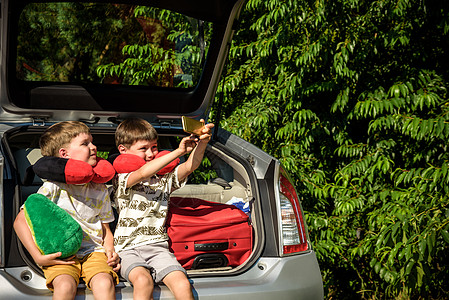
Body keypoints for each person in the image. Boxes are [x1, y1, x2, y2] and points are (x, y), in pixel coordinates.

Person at [14, 121, 120, 300]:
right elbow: (20, 221)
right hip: (62, 254)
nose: (94, 147)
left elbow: (106, 230)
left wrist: (110, 250)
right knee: (64, 286)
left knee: (104, 282)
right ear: (64, 154)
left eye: (92, 142)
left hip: (93, 251)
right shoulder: (53, 187)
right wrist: (38, 257)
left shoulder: (99, 188)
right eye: (85, 144)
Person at [113, 117, 214, 300]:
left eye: (154, 147)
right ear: (123, 150)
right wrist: (179, 150)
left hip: (158, 247)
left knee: (182, 283)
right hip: (127, 249)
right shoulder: (122, 179)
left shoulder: (163, 181)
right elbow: (144, 172)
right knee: (143, 282)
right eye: (143, 149)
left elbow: (190, 166)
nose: (151, 154)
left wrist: (202, 142)